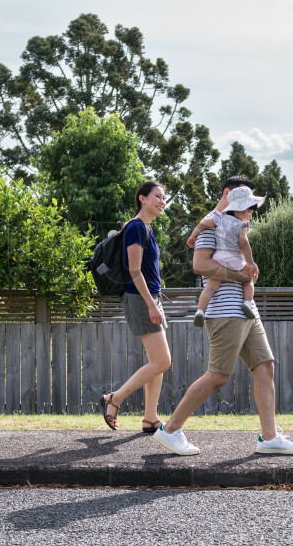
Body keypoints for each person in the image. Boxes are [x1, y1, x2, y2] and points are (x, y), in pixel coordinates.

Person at [153, 176, 293, 456]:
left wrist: (248, 274)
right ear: (227, 193)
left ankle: (269, 437)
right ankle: (170, 430)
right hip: (224, 310)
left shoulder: (237, 224)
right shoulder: (212, 224)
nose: (250, 209)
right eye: (245, 201)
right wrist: (240, 276)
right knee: (218, 376)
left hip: (246, 310)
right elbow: (200, 265)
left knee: (265, 366)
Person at [99, 181, 171, 433]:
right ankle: (114, 398)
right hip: (141, 299)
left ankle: (150, 418)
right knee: (162, 361)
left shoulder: (146, 228)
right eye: (157, 196)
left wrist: (155, 301)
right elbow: (134, 271)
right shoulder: (137, 227)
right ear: (142, 198)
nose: (162, 201)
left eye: (164, 198)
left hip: (150, 298)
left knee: (156, 362)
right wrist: (151, 305)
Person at [186, 185, 265, 326]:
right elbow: (244, 244)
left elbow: (203, 224)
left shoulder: (219, 218)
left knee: (210, 287)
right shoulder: (241, 226)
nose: (250, 215)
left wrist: (193, 236)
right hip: (235, 259)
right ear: (239, 209)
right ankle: (247, 302)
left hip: (219, 258)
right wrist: (251, 262)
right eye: (249, 211)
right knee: (248, 280)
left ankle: (200, 311)